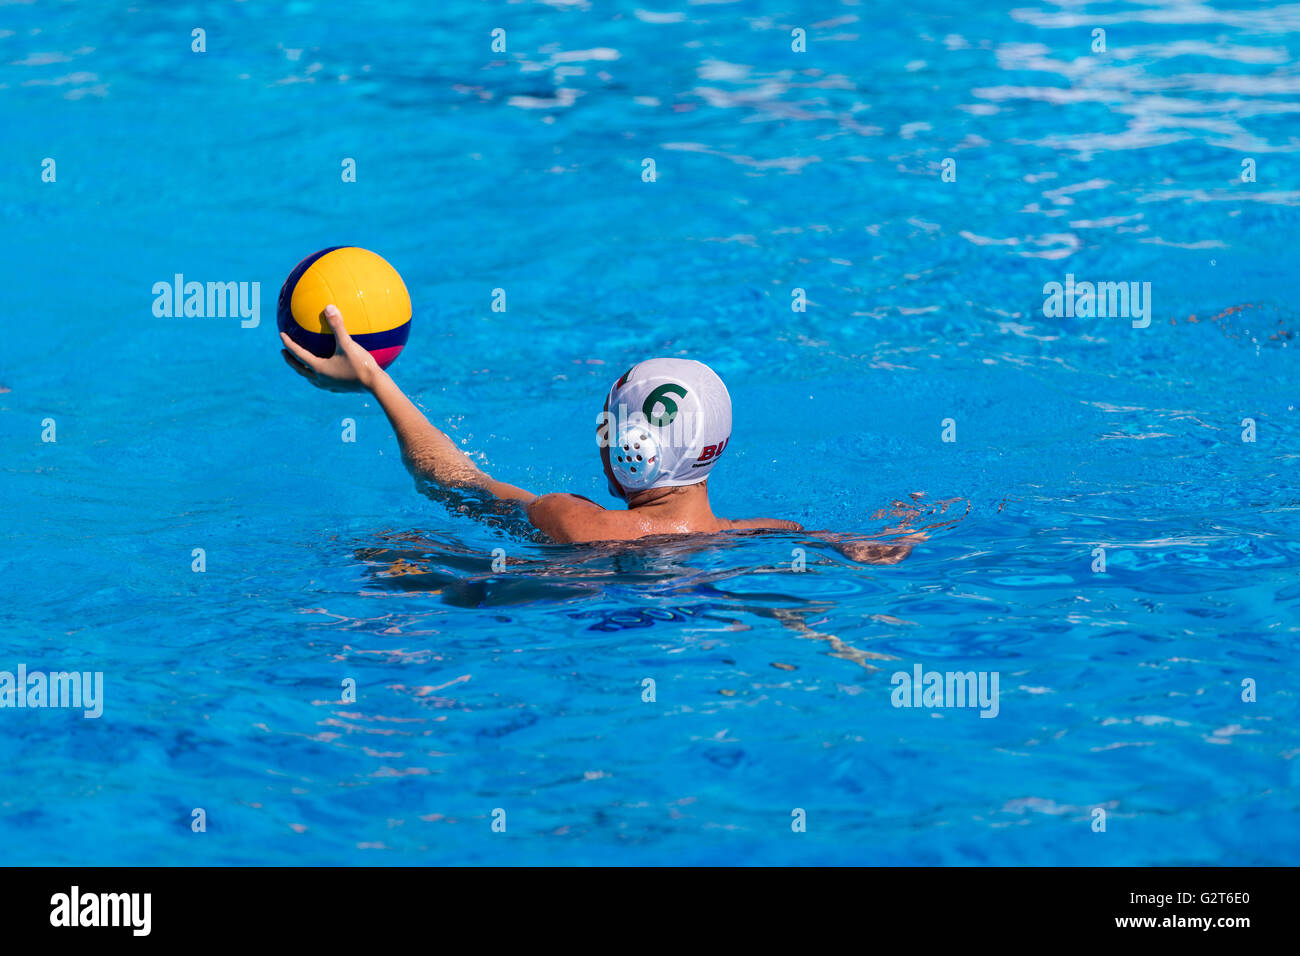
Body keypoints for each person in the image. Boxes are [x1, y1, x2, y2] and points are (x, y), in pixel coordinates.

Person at [281, 305, 919, 563]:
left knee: (401, 555)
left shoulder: (574, 522)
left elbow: (451, 482)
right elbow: (852, 547)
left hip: (552, 622)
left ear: (627, 450)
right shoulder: (767, 537)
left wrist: (374, 381)